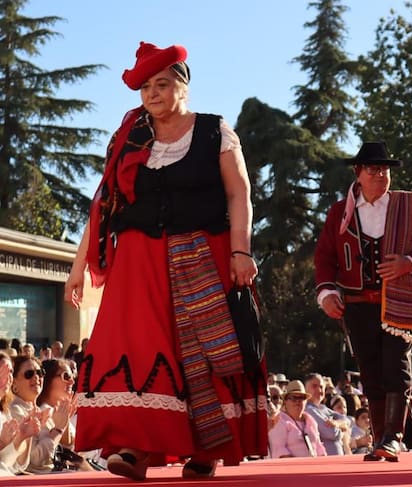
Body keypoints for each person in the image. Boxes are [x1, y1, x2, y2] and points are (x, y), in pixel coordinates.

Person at [63, 41, 267, 481]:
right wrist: (78, 267)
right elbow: (104, 205)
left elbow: (239, 194)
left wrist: (241, 251)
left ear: (183, 87)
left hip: (205, 255)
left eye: (161, 84)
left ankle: (208, 448)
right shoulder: (128, 138)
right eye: (145, 88)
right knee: (137, 347)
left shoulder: (214, 131)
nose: (152, 94)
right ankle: (136, 447)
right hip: (139, 261)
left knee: (206, 351)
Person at [314, 141, 412, 461]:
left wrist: (409, 262)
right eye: (374, 169)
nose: (381, 175)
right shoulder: (340, 212)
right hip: (357, 303)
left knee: (396, 366)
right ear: (358, 173)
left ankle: (393, 437)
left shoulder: (409, 205)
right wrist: (327, 293)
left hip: (400, 298)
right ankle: (380, 438)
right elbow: (325, 257)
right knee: (370, 371)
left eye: (385, 170)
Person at [267, 380, 326, 458]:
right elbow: (279, 452)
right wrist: (302, 464)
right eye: (293, 398)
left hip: (314, 464)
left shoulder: (311, 420)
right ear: (285, 401)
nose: (298, 401)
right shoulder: (279, 420)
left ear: (306, 401)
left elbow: (319, 447)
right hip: (290, 465)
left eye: (301, 398)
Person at [303, 373, 347, 456]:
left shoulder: (323, 408)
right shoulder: (308, 410)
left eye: (321, 387)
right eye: (314, 386)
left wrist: (337, 423)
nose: (319, 390)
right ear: (305, 389)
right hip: (326, 459)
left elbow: (346, 420)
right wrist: (343, 430)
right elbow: (332, 433)